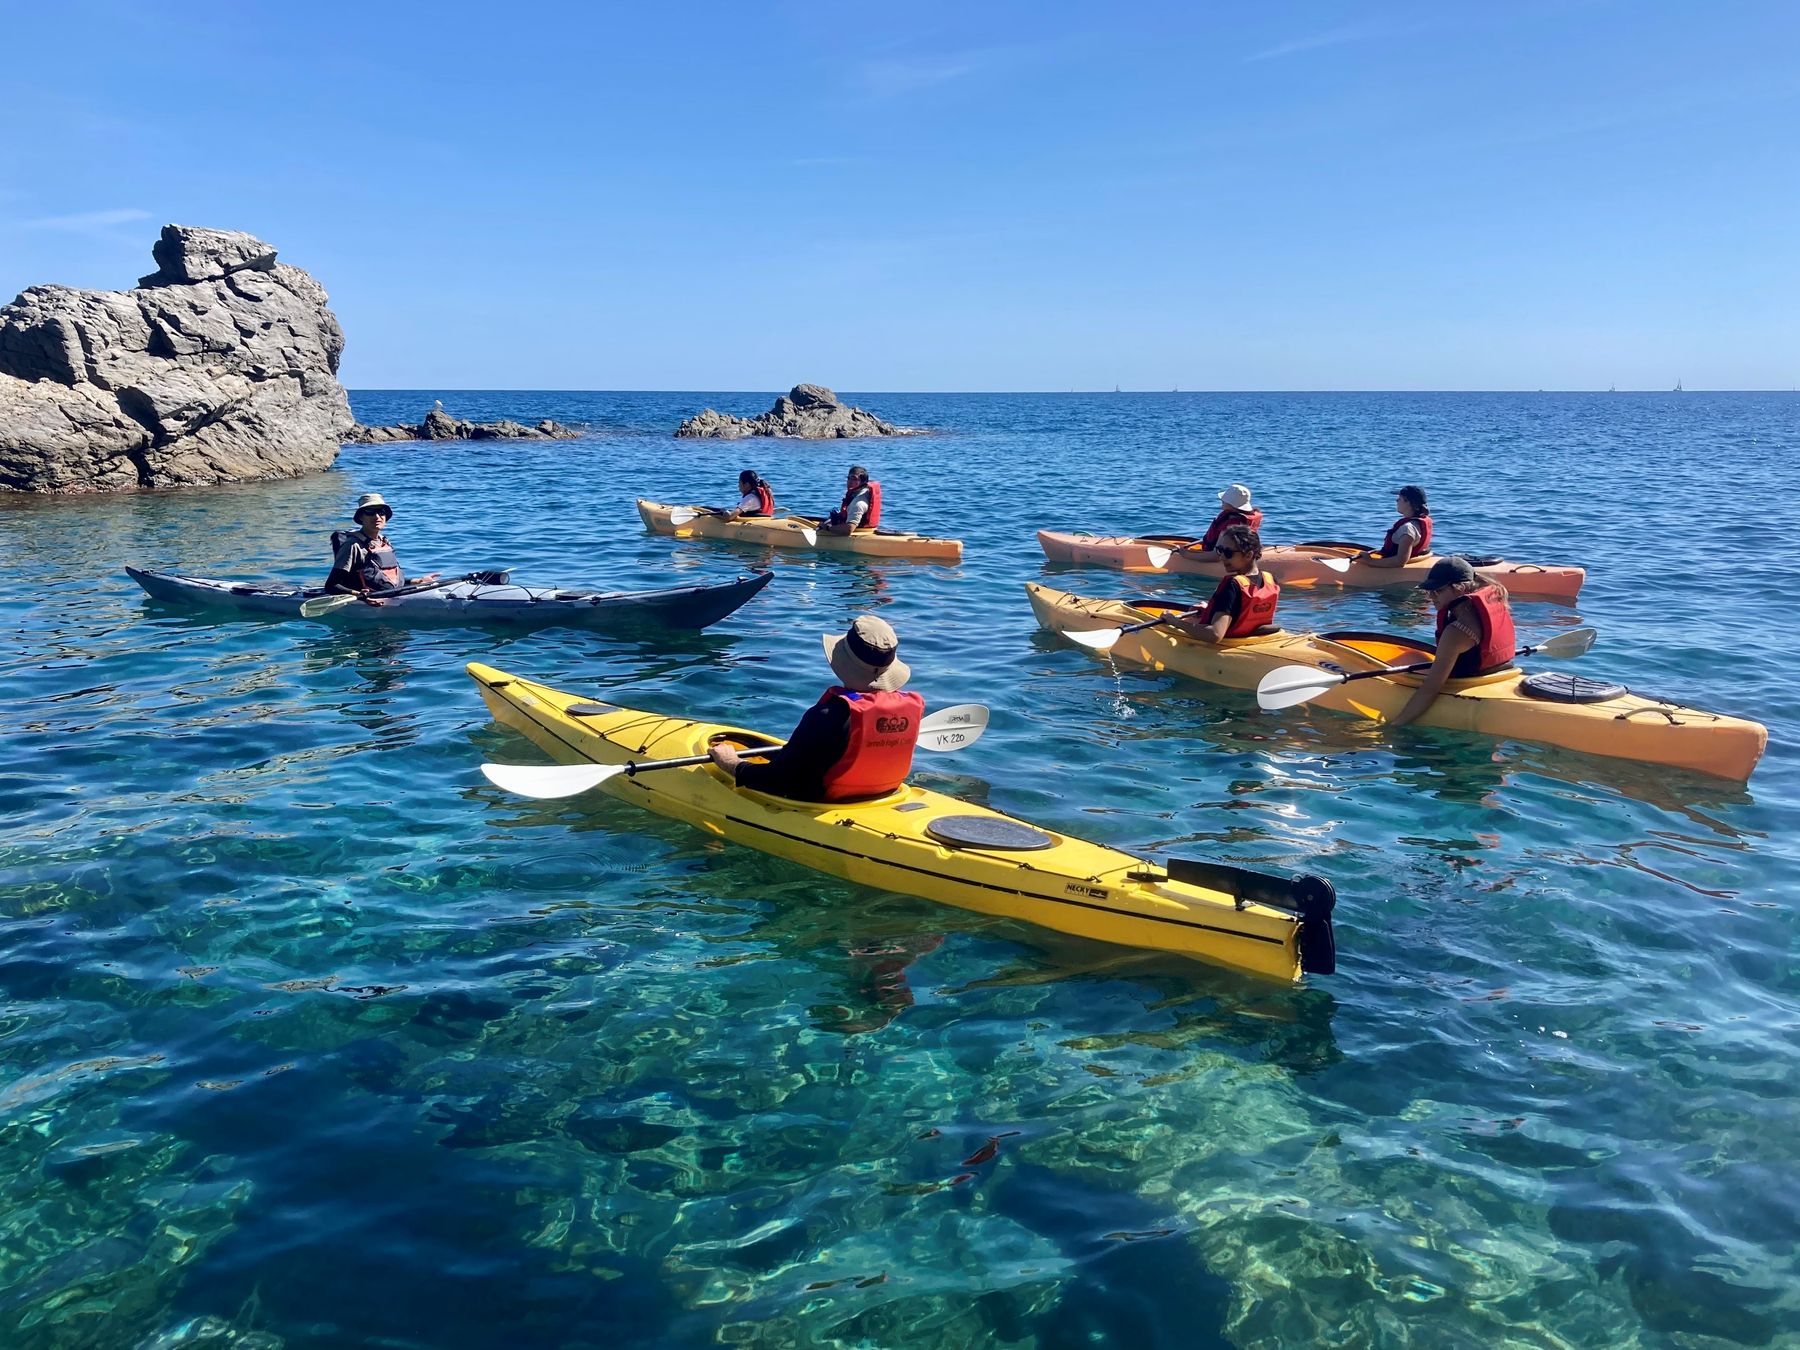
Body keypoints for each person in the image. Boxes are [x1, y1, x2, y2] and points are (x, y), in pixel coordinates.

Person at [708, 614, 923, 801]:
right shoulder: (910, 708)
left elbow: (776, 781)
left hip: (824, 801)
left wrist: (732, 764)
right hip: (885, 795)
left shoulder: (827, 716)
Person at [1389, 557, 1517, 727]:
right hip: (1497, 675)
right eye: (1429, 591)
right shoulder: (1488, 605)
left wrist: (1395, 725)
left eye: (1438, 591)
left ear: (1460, 588)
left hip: (1470, 682)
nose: (1431, 597)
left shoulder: (1456, 632)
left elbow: (1431, 688)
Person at [1170, 525, 1280, 643]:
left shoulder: (1232, 586)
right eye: (1220, 550)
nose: (1222, 556)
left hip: (1228, 644)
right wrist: (1209, 610)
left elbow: (1215, 634)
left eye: (1228, 552)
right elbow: (1241, 611)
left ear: (1248, 555)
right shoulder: (1270, 580)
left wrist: (1175, 622)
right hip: (1251, 639)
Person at [323, 493, 437, 601]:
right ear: (361, 517)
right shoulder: (353, 545)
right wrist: (360, 595)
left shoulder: (384, 542)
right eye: (370, 512)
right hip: (367, 598)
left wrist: (416, 581)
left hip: (392, 594)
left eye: (381, 512)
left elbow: (386, 579)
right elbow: (331, 586)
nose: (377, 516)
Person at [1184, 483, 1264, 560]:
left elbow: (1216, 556)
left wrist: (1184, 554)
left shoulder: (1231, 525)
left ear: (1232, 505)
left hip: (1221, 558)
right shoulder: (1242, 518)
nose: (1222, 502)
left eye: (1224, 501)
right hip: (1242, 554)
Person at [1363, 485, 1433, 568]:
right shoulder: (1417, 523)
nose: (1396, 500)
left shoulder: (1408, 528)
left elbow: (1400, 561)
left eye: (1399, 498)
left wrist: (1370, 561)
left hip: (1393, 571)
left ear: (1408, 502)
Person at [824, 465, 880, 535]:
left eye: (854, 479)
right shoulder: (864, 491)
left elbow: (849, 529)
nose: (850, 482)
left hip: (857, 533)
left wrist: (827, 528)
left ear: (863, 482)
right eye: (849, 478)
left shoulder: (858, 503)